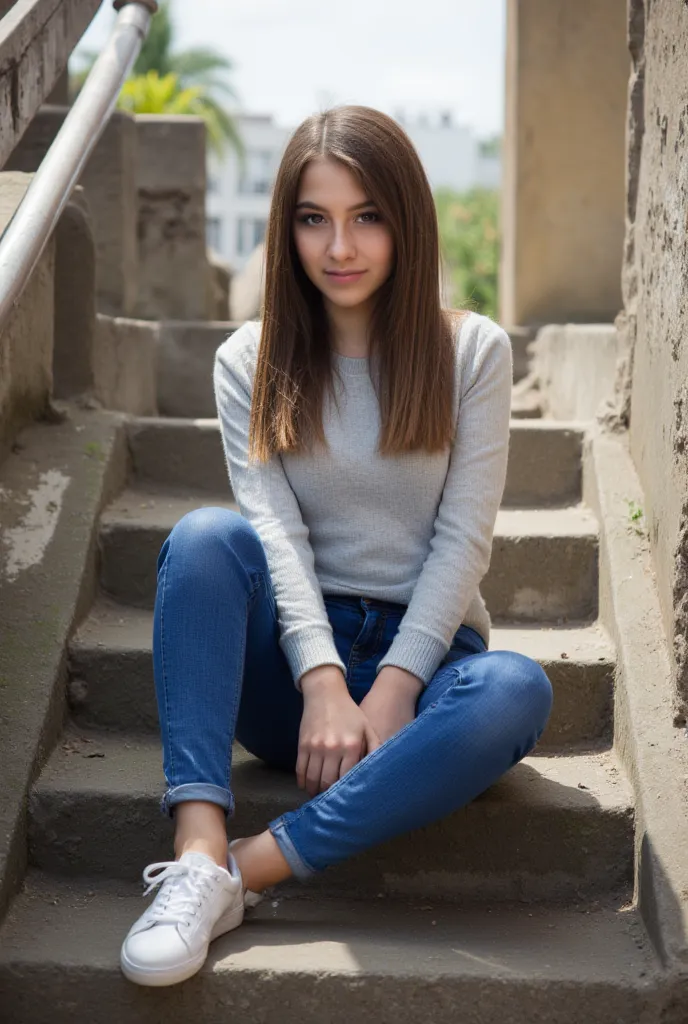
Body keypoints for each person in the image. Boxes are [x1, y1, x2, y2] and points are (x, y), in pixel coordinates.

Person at [120, 104, 553, 988]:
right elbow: (271, 528)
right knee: (207, 538)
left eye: (367, 216)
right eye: (314, 218)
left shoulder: (471, 351)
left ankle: (249, 869)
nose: (340, 246)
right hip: (290, 677)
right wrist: (321, 679)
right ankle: (197, 852)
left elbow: (464, 536)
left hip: (427, 668)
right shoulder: (251, 357)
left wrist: (393, 689)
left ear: (405, 222)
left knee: (515, 689)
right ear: (288, 230)